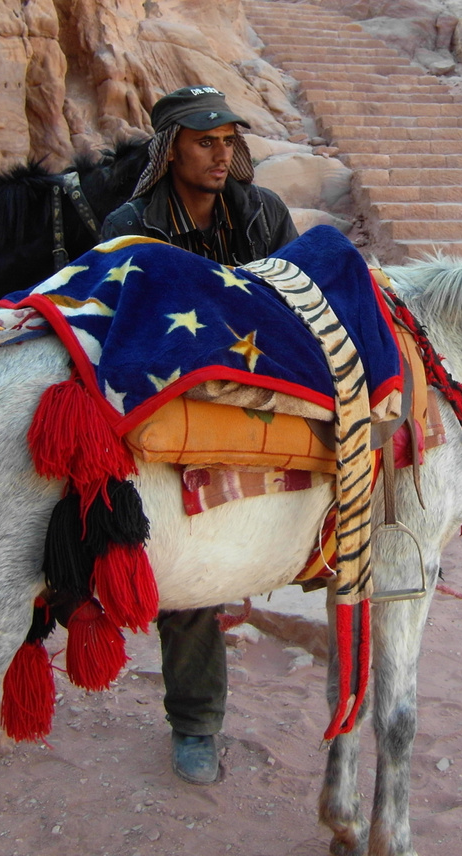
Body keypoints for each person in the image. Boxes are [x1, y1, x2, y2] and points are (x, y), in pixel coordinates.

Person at [100, 86, 297, 785]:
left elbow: (302, 299)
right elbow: (110, 323)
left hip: (267, 388)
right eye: (205, 141)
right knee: (183, 563)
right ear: (170, 149)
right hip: (167, 402)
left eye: (228, 141)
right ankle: (196, 723)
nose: (221, 154)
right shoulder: (132, 222)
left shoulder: (262, 211)